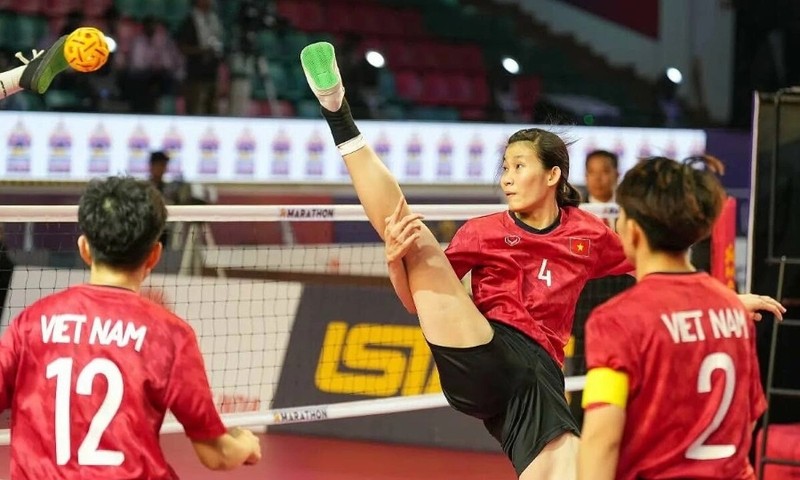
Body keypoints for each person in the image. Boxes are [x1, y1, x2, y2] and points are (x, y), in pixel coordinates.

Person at [299, 42, 785, 480]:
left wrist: (727, 299)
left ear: (552, 174)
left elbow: (658, 264)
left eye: (519, 166)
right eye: (504, 168)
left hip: (534, 379)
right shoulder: (482, 231)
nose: (507, 177)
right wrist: (394, 262)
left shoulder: (590, 233)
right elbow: (418, 303)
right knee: (412, 235)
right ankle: (337, 109)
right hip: (480, 350)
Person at [0, 177, 261, 478]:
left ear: (85, 249)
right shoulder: (171, 335)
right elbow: (216, 454)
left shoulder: (31, 323)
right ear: (154, 254)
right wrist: (245, 443)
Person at [578, 156, 774, 480]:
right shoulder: (733, 310)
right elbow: (748, 418)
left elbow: (602, 441)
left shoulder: (615, 321)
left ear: (632, 230)